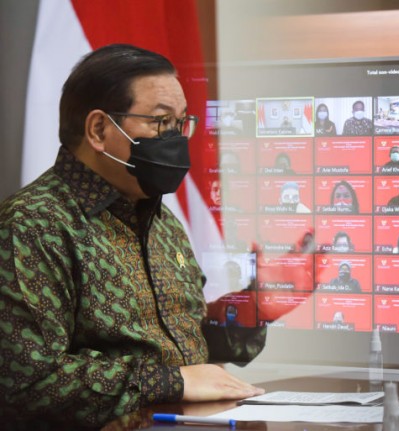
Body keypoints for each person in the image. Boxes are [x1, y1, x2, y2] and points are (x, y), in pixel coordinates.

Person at [0, 44, 264, 428]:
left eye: (180, 123)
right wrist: (171, 380)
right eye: (160, 122)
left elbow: (188, 341)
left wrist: (259, 304)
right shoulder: (32, 226)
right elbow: (26, 382)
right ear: (99, 129)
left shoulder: (163, 223)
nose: (175, 137)